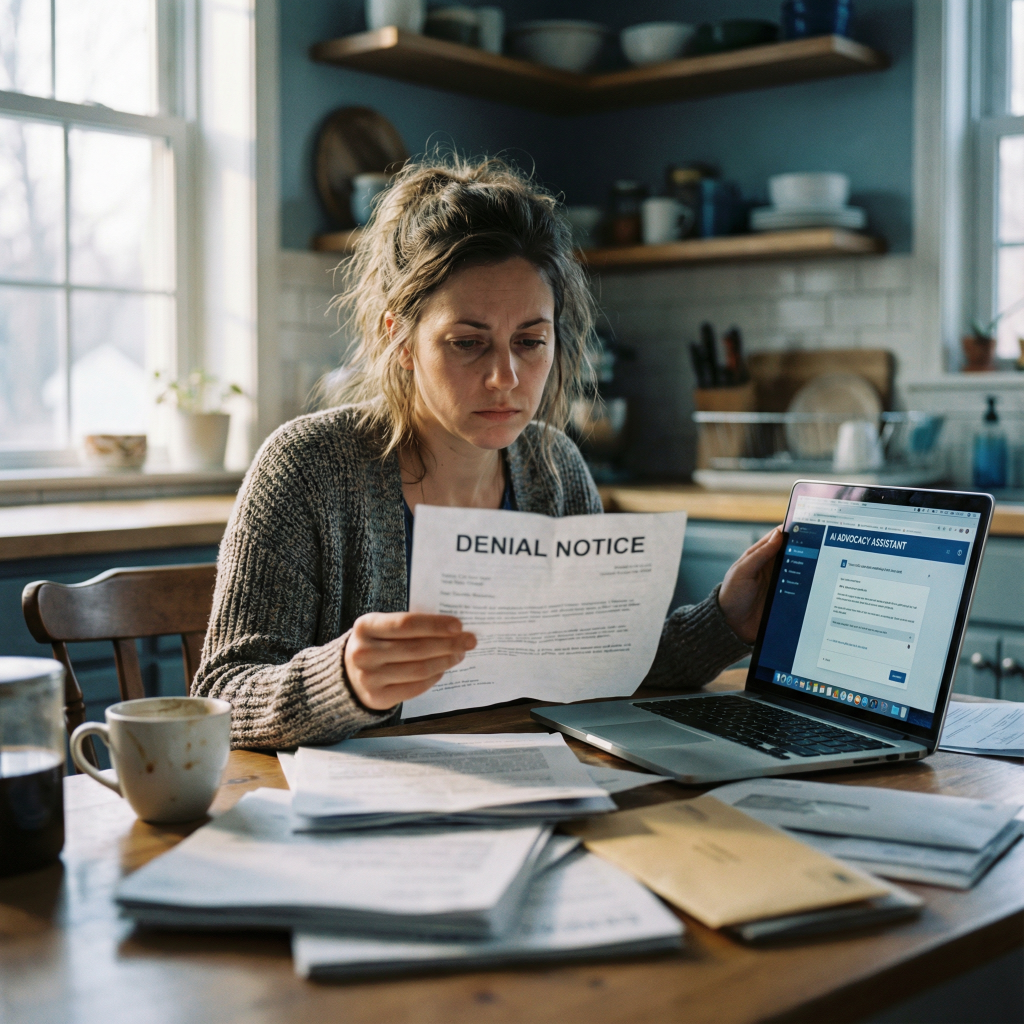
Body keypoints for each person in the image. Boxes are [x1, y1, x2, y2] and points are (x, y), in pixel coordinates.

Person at [192, 156, 783, 749]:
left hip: (527, 791)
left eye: (530, 342)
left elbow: (604, 662)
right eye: (468, 343)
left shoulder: (554, 470)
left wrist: (727, 620)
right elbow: (222, 694)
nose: (506, 376)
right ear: (401, 338)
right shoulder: (306, 468)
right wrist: (342, 679)